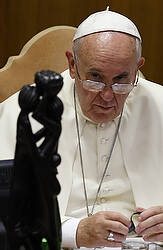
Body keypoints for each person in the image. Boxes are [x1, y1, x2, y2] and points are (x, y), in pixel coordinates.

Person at [1, 6, 163, 250]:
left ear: (137, 67)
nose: (107, 96)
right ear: (73, 65)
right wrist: (73, 232)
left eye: (121, 79)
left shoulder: (160, 105)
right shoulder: (27, 112)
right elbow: (8, 215)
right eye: (95, 77)